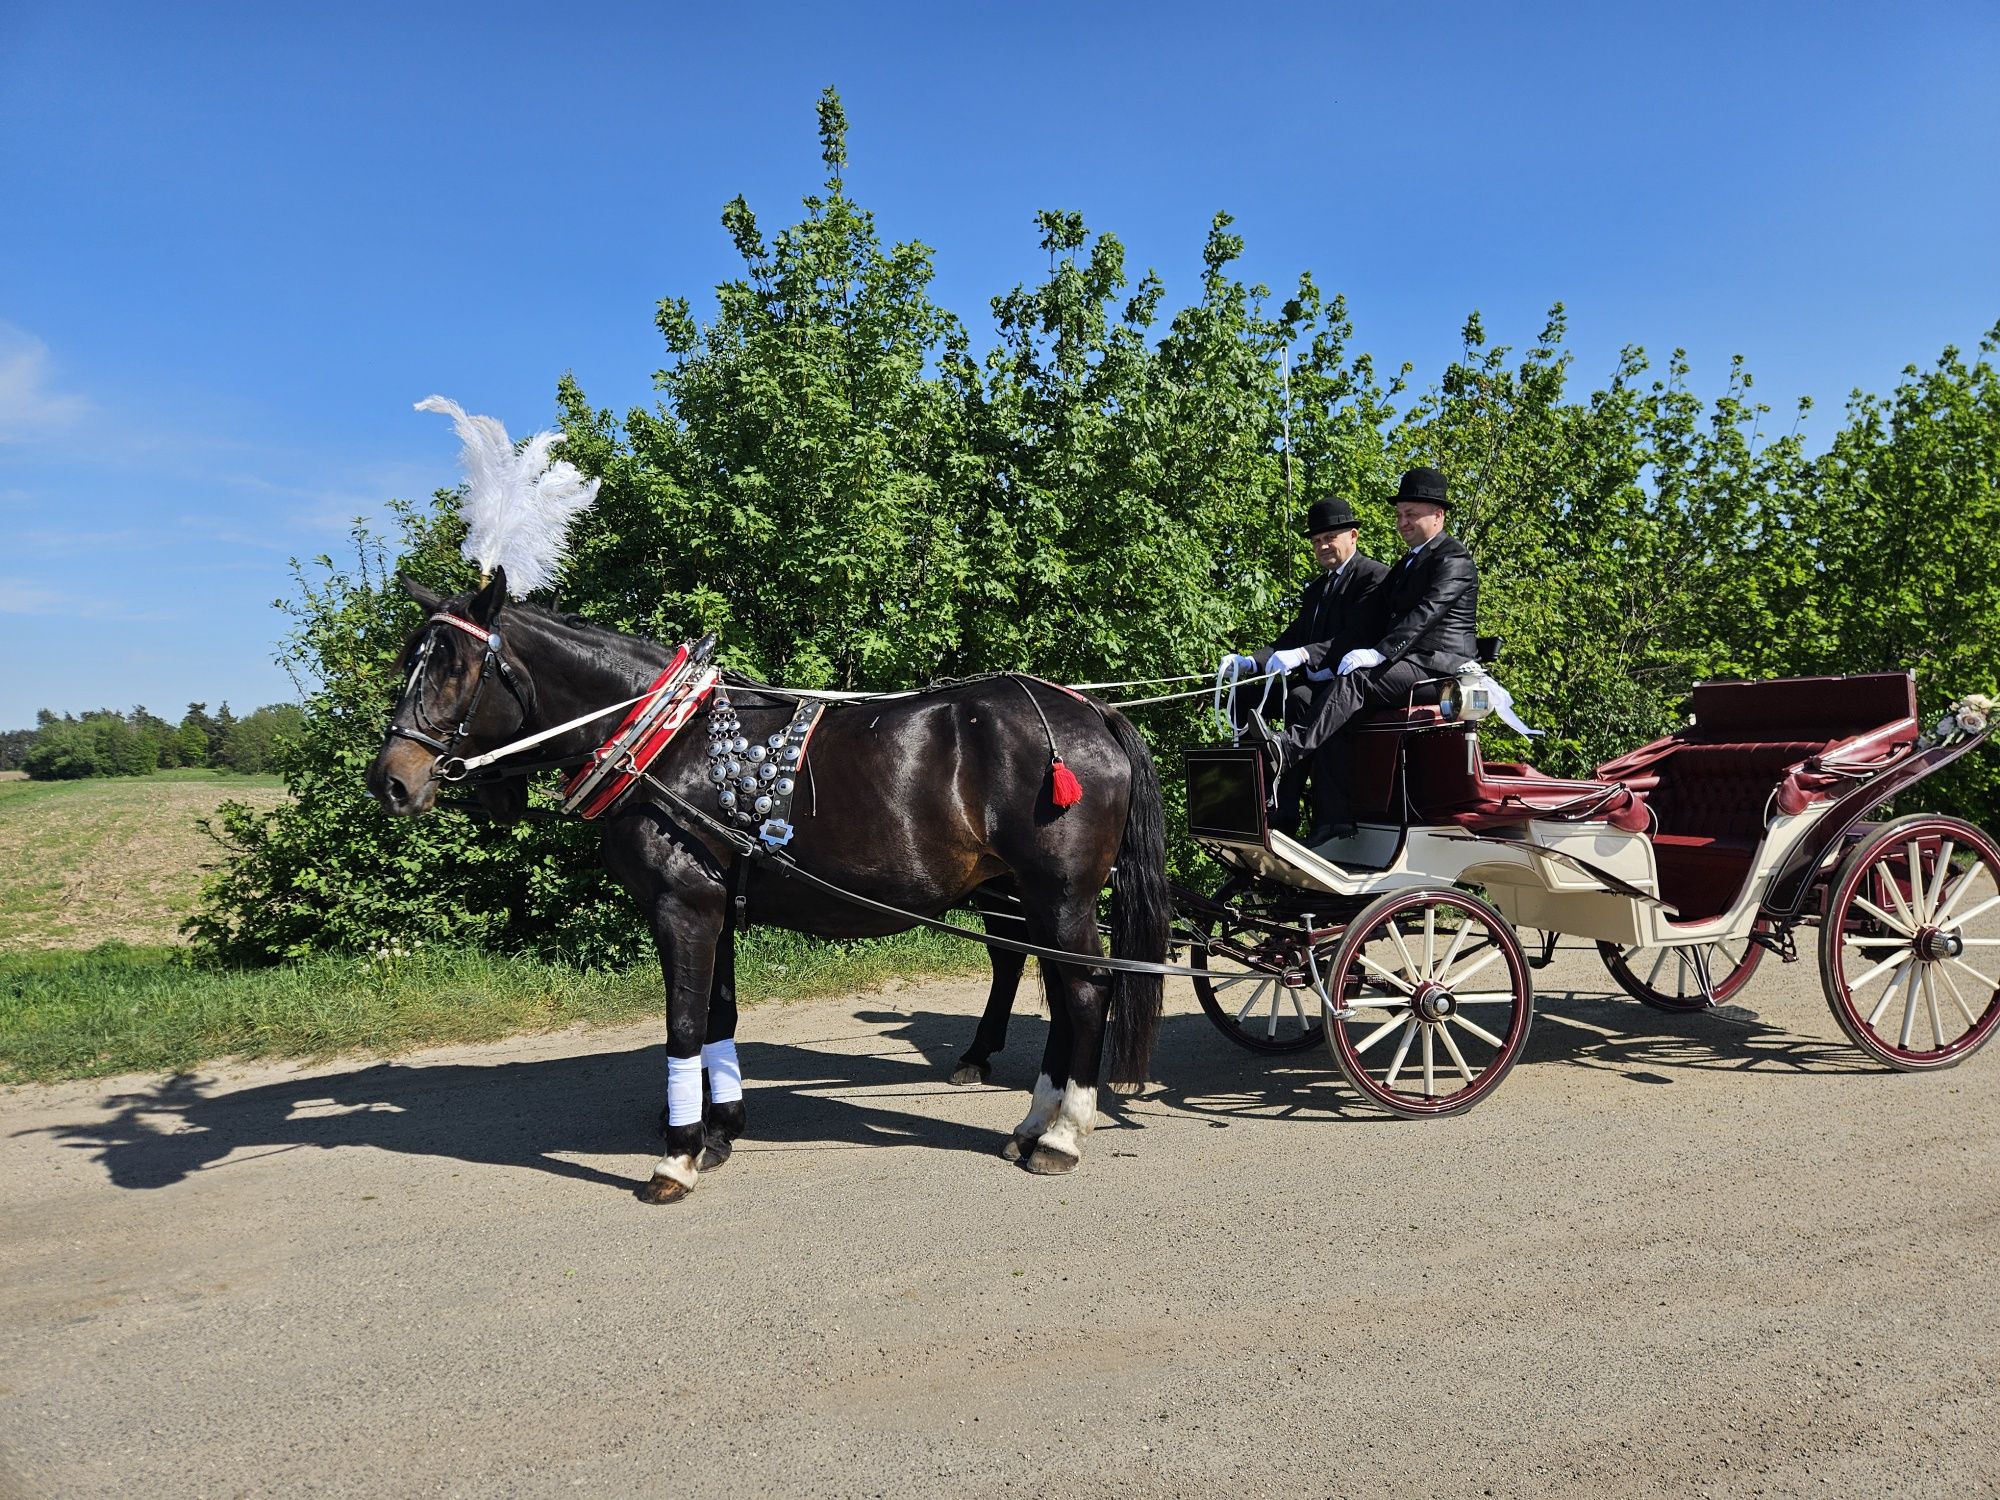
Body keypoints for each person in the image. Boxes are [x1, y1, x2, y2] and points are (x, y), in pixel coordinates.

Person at [1242, 466, 1480, 845]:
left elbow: (1424, 617)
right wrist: (1270, 659)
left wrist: (1376, 654)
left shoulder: (1453, 559)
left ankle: (1289, 745)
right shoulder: (1406, 564)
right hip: (1407, 662)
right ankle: (1306, 815)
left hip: (1438, 665)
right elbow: (1369, 619)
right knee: (1308, 694)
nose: (1402, 522)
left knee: (1355, 680)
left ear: (1438, 515)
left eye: (1411, 514)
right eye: (1400, 514)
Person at [1219, 494, 1387, 835]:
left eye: (1330, 538)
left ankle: (1320, 816)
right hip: (1316, 680)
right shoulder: (1317, 590)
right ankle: (1255, 801)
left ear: (1353, 536)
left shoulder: (1373, 578)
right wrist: (1252, 661)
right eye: (1317, 541)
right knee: (1240, 701)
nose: (1323, 546)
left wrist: (1305, 655)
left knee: (1298, 698)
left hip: (1354, 683)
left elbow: (1356, 636)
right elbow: (1292, 637)